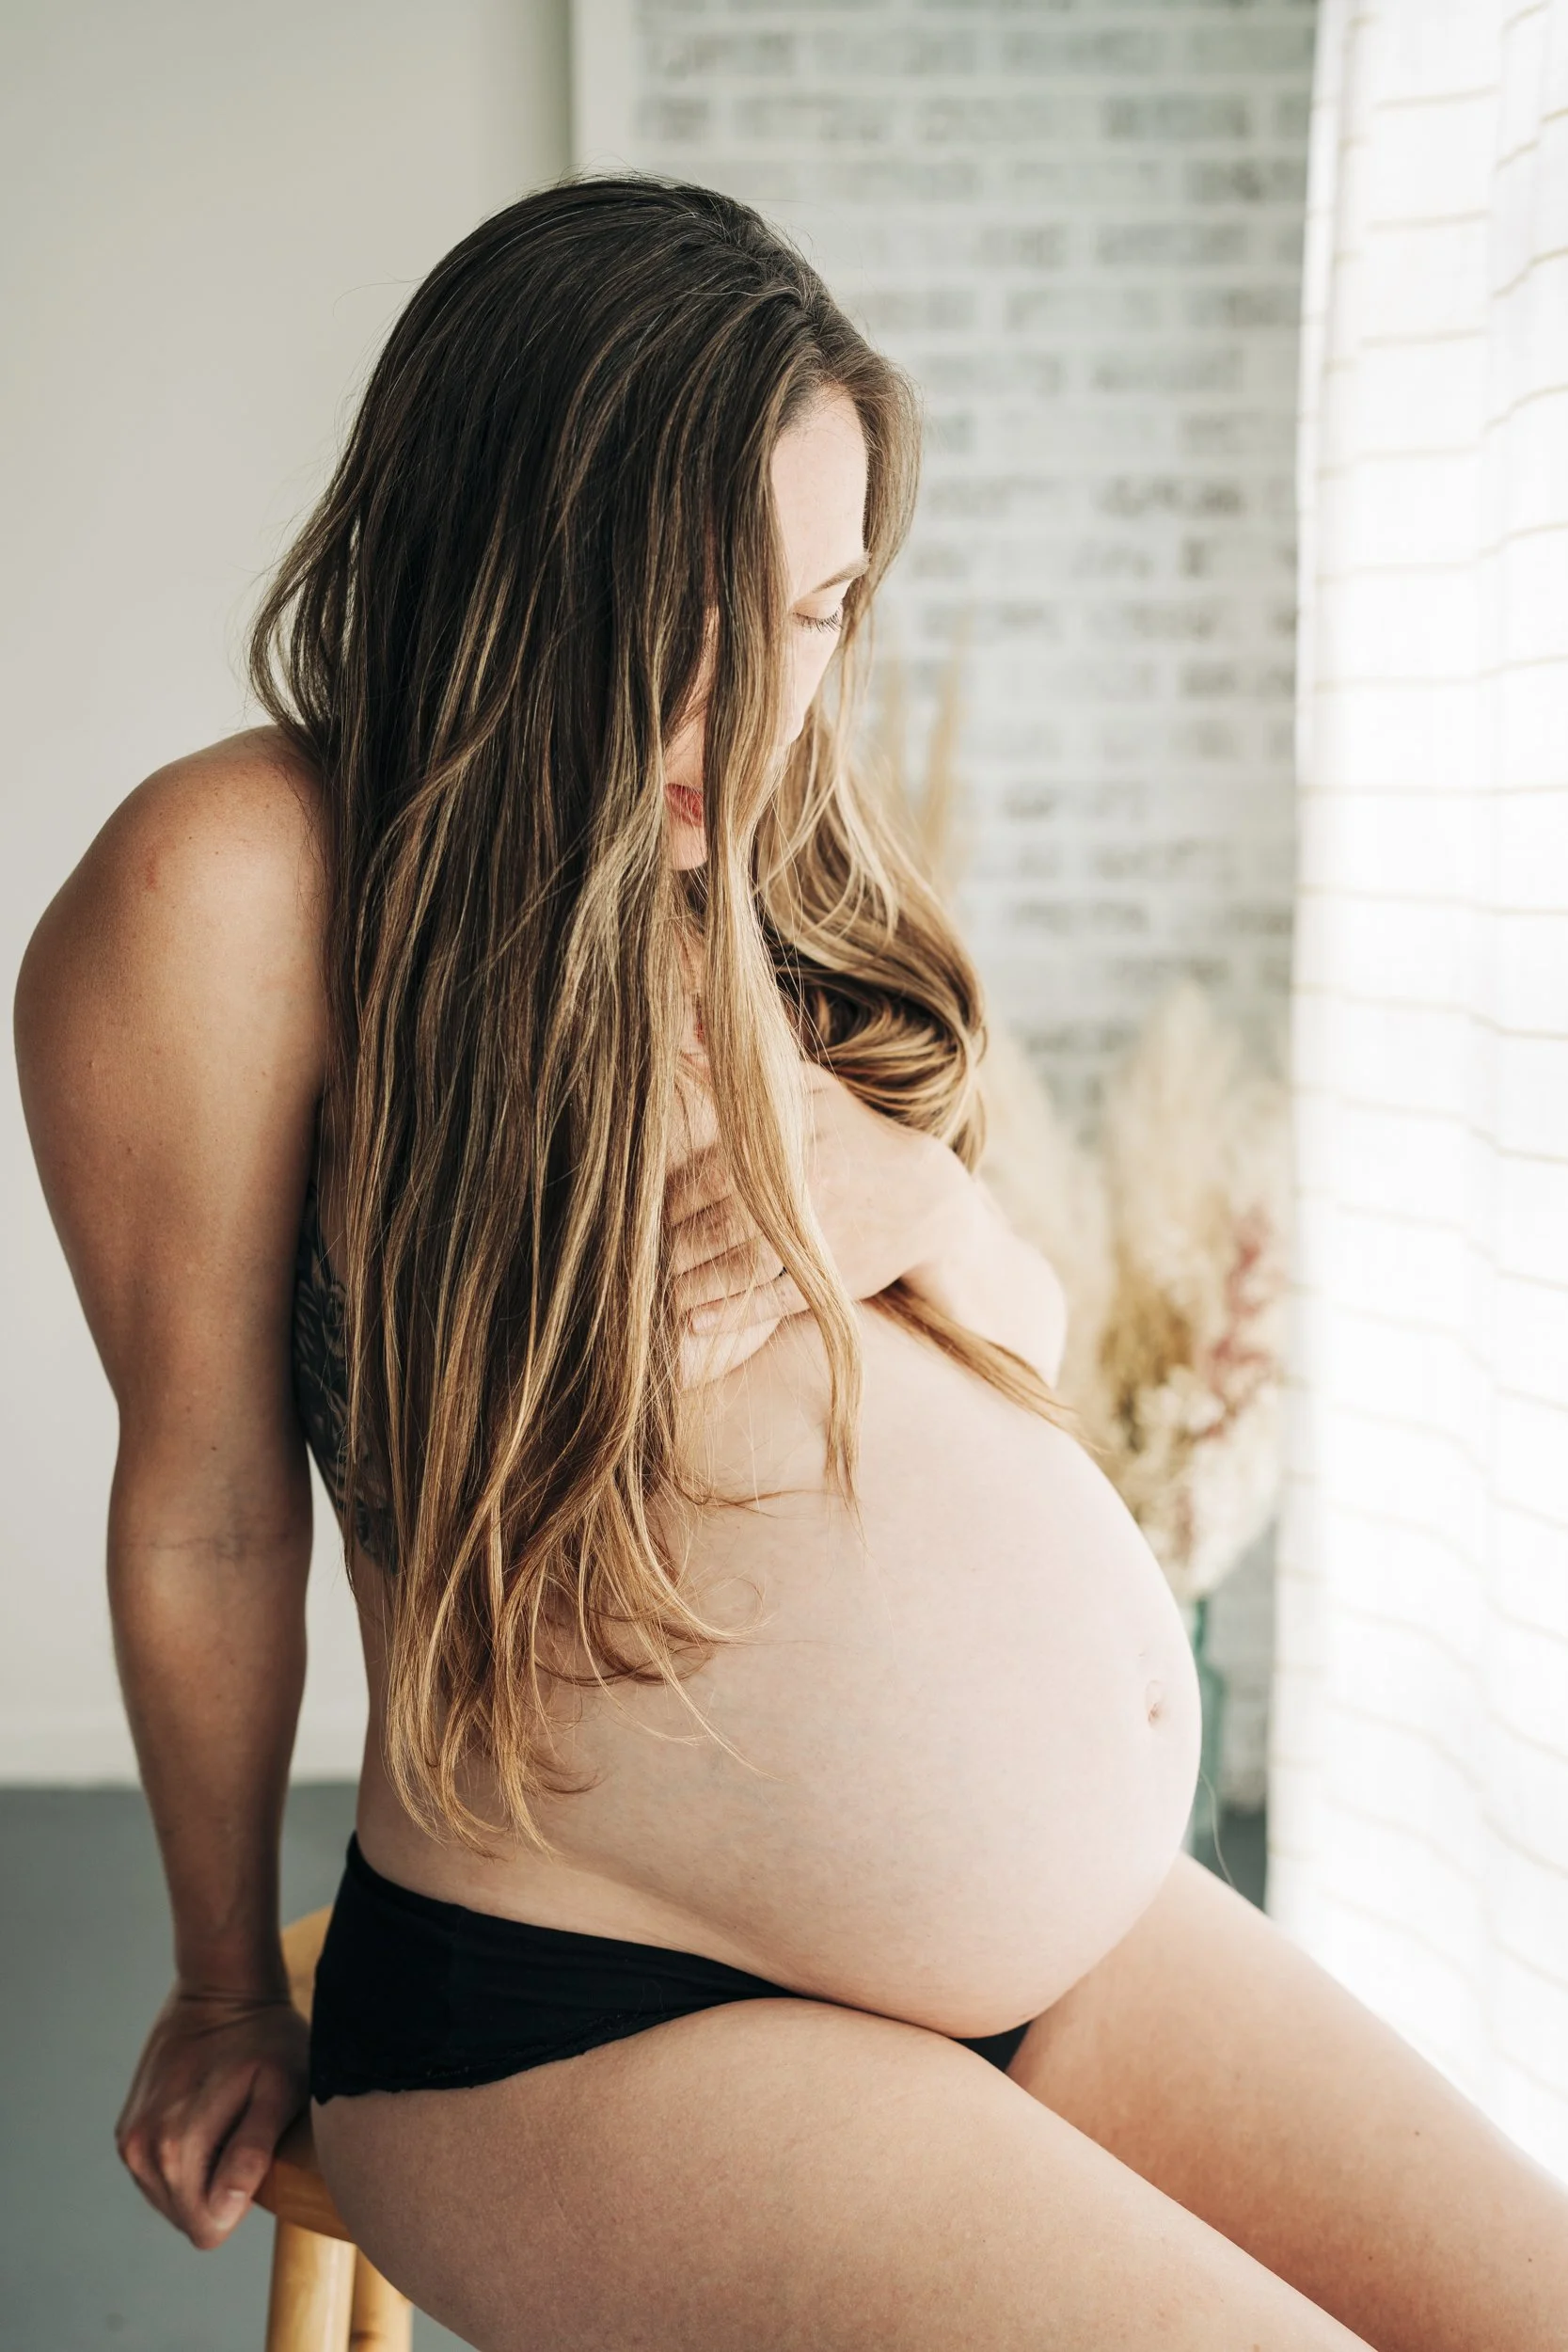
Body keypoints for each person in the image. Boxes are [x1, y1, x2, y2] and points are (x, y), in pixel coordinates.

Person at [15, 175, 1568, 2352]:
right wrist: (209, 1976)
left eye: (820, 606)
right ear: (502, 552)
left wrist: (924, 1208)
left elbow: (996, 1340)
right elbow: (200, 1493)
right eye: (693, 601)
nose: (761, 690)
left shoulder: (761, 845)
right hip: (592, 2006)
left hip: (1062, 1933)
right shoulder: (241, 879)